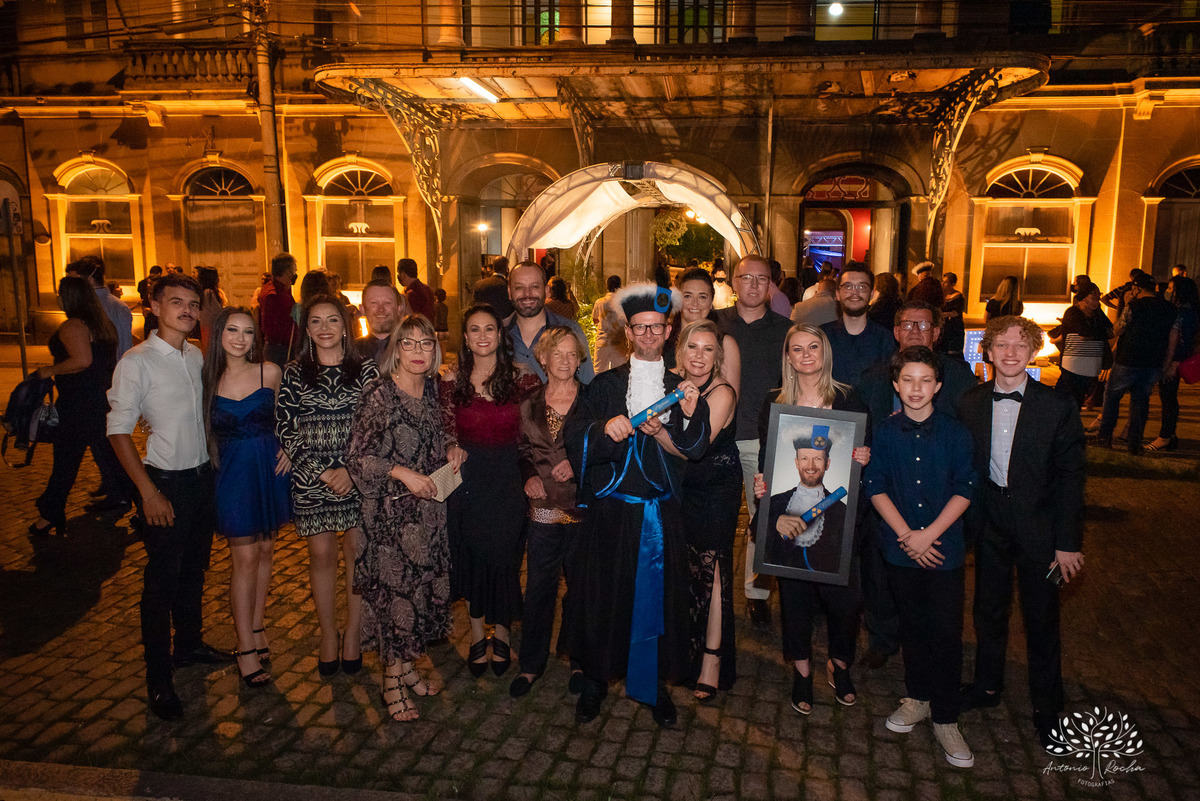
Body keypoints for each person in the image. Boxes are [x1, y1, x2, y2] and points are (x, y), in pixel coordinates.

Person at [564, 283, 709, 728]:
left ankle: (653, 684)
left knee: (658, 602)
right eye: (639, 328)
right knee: (602, 598)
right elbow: (575, 436)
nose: (648, 335)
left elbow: (697, 446)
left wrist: (678, 421)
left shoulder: (682, 389)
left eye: (657, 327)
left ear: (669, 331)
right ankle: (595, 679)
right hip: (611, 513)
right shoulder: (604, 385)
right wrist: (604, 428)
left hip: (659, 517)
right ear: (628, 332)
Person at [107, 272, 234, 721]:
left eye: (192, 304)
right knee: (160, 581)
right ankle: (158, 679)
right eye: (176, 301)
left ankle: (190, 644)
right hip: (166, 481)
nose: (186, 309)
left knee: (196, 568)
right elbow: (118, 430)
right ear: (154, 307)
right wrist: (148, 492)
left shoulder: (197, 355)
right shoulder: (136, 362)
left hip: (202, 479)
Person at [958, 316, 1086, 751]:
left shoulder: (1058, 406)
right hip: (990, 525)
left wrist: (1067, 543)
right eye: (1001, 345)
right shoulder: (969, 403)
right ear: (987, 352)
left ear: (1032, 353)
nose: (1010, 352)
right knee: (988, 610)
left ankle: (1047, 706)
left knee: (1042, 616)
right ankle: (987, 687)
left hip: (1043, 534)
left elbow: (1072, 478)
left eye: (1020, 345)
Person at [864, 346, 978, 768]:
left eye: (925, 380)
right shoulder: (886, 432)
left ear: (938, 386)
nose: (916, 388)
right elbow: (874, 484)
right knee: (911, 626)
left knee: (946, 633)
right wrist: (905, 536)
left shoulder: (956, 433)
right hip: (899, 548)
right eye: (907, 380)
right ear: (895, 386)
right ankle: (917, 696)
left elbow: (965, 487)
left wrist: (928, 534)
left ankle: (946, 716)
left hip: (943, 549)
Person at [347, 313, 463, 722]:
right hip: (390, 522)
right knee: (397, 602)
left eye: (425, 343)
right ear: (395, 349)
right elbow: (357, 458)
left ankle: (409, 668)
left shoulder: (431, 392)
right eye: (408, 343)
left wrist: (453, 449)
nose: (417, 351)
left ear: (435, 350)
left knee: (418, 597)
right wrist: (400, 472)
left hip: (429, 517)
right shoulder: (380, 395)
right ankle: (390, 683)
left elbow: (441, 435)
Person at [751, 324, 871, 716]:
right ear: (787, 357)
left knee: (845, 600)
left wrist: (864, 459)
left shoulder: (850, 398)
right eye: (797, 348)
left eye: (813, 347)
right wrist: (762, 483)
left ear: (825, 352)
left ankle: (839, 663)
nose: (805, 355)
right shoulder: (774, 402)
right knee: (795, 597)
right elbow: (769, 455)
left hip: (841, 515)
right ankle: (801, 669)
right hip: (787, 511)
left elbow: (868, 449)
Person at [854, 300, 978, 670]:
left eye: (923, 326)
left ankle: (930, 658)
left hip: (939, 496)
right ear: (895, 331)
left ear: (937, 333)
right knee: (881, 577)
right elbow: (860, 428)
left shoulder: (960, 378)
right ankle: (882, 638)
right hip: (889, 498)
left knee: (939, 603)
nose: (914, 332)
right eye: (906, 325)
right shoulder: (872, 377)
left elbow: (967, 441)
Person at [275, 295, 380, 678]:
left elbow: (375, 426)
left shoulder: (365, 370)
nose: (324, 328)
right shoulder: (294, 372)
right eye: (316, 321)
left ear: (345, 326)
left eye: (332, 320)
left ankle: (352, 633)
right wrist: (321, 471)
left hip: (356, 477)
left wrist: (351, 471)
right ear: (307, 329)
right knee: (321, 556)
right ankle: (327, 635)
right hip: (311, 478)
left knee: (356, 554)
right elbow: (285, 427)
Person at [441, 305, 542, 678]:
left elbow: (537, 433)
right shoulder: (452, 380)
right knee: (473, 557)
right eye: (474, 330)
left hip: (508, 477)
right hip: (468, 479)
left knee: (505, 558)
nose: (482, 336)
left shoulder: (523, 379)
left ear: (501, 336)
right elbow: (443, 427)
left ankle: (503, 631)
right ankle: (478, 634)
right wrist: (450, 443)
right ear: (465, 338)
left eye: (489, 329)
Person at [201, 306, 291, 689]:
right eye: (233, 330)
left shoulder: (269, 372)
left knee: (267, 550)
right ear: (220, 333)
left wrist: (290, 445)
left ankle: (255, 626)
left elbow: (291, 417)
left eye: (248, 332)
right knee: (246, 557)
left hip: (269, 471)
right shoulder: (205, 378)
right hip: (233, 475)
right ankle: (245, 649)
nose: (240, 338)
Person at [509, 327, 588, 699]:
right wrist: (528, 479)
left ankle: (578, 659)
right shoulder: (527, 403)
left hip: (581, 507)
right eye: (557, 353)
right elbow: (523, 451)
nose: (565, 361)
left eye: (572, 354)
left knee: (579, 587)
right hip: (542, 510)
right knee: (539, 587)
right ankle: (530, 664)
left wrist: (577, 463)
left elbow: (607, 449)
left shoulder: (591, 402)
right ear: (542, 358)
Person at [714, 255, 791, 629]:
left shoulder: (786, 331)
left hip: (762, 440)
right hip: (714, 438)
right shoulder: (714, 326)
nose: (755, 285)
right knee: (716, 520)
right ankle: (712, 589)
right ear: (733, 282)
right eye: (747, 277)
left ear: (771, 285)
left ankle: (757, 593)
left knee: (761, 520)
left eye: (763, 279)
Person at [30, 276, 130, 535]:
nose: (58, 298)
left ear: (71, 297)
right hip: (99, 399)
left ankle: (50, 513)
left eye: (61, 294)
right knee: (112, 456)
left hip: (78, 403)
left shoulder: (73, 326)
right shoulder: (101, 325)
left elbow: (82, 360)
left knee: (66, 460)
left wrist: (48, 370)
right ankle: (142, 502)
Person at [673, 320, 739, 702]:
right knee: (686, 568)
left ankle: (713, 659)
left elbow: (692, 447)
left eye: (708, 349)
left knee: (713, 571)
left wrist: (658, 431)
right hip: (682, 489)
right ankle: (685, 651)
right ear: (681, 352)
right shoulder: (674, 387)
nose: (699, 356)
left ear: (717, 357)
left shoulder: (722, 393)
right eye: (692, 347)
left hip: (715, 489)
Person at [1096, 271, 1177, 453]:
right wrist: (1167, 361)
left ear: (1136, 289)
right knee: (1140, 402)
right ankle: (1134, 443)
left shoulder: (1134, 306)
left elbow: (1118, 329)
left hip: (1128, 359)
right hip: (1153, 362)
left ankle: (1104, 437)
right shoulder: (1170, 308)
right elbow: (1173, 336)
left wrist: (1124, 305)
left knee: (1112, 397)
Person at [505, 261, 593, 384]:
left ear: (546, 291)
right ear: (509, 292)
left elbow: (587, 383)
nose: (527, 294)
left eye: (534, 287)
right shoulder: (497, 335)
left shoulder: (571, 331)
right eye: (519, 287)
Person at [821, 263, 895, 387]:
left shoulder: (886, 341)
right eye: (848, 287)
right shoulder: (821, 337)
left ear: (871, 294)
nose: (855, 293)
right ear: (838, 294)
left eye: (862, 287)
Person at [1150, 275, 1199, 451]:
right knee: (1168, 398)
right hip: (1175, 360)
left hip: (1175, 362)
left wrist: (1173, 363)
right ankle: (1169, 435)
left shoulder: (1184, 313)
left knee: (1168, 398)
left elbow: (1181, 340)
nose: (1168, 292)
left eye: (1171, 288)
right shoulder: (1187, 310)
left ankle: (1165, 436)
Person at [675, 267, 741, 389]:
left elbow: (730, 399)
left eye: (702, 297)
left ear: (711, 303)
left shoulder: (725, 343)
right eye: (688, 296)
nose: (695, 303)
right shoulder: (664, 339)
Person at [1052, 283, 1112, 408]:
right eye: (1094, 295)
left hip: (1092, 366)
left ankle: (1072, 425)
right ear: (1084, 297)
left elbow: (1111, 331)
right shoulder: (1073, 312)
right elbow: (1084, 332)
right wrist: (1100, 333)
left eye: (1098, 294)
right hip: (1073, 365)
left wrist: (1094, 334)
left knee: (1078, 401)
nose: (1097, 298)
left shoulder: (1097, 314)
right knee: (1066, 399)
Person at [73, 255, 133, 358]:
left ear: (90, 279)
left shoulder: (85, 306)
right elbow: (126, 347)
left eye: (78, 280)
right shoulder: (120, 306)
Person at [355, 279, 410, 363]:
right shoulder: (351, 352)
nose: (381, 309)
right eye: (374, 303)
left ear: (399, 309)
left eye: (387, 303)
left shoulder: (412, 349)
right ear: (362, 309)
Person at [259, 253, 299, 367]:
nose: (295, 275)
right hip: (279, 349)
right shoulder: (274, 295)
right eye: (294, 271)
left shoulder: (280, 290)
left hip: (281, 347)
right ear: (287, 272)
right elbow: (271, 327)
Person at [592, 274, 628, 373]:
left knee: (599, 372)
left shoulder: (599, 302)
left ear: (607, 286)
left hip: (602, 342)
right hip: (619, 343)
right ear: (620, 286)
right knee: (619, 373)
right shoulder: (624, 303)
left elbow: (595, 320)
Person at [196, 267, 227, 352]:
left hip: (206, 324)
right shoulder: (209, 293)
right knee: (211, 350)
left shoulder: (203, 292)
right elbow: (217, 311)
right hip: (211, 326)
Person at [939, 272, 966, 357]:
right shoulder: (941, 296)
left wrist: (944, 314)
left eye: (946, 282)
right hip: (943, 328)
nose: (943, 284)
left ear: (953, 284)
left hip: (953, 328)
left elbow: (956, 312)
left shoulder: (958, 297)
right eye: (943, 281)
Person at [139, 265, 163, 337]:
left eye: (151, 284)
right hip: (148, 323)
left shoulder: (161, 296)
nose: (148, 285)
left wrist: (151, 310)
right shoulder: (147, 295)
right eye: (148, 284)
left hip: (158, 323)